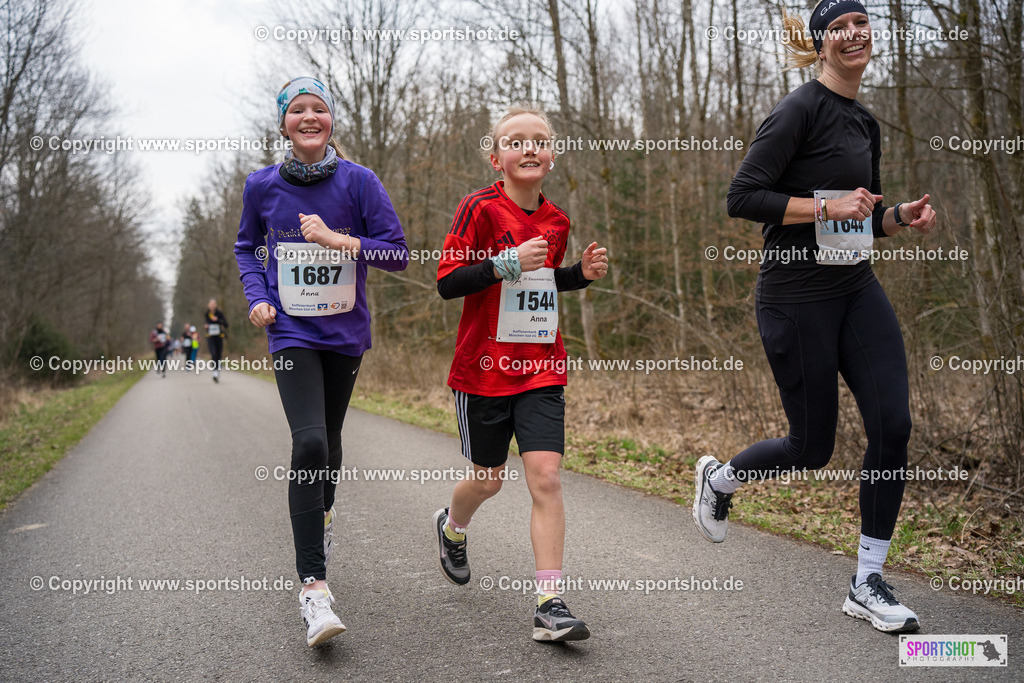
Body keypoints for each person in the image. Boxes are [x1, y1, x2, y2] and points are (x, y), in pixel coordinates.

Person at [693, 0, 937, 634]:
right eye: (840, 27)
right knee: (812, 448)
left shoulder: (866, 124)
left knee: (894, 422)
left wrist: (896, 218)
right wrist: (823, 210)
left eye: (862, 23)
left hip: (856, 288)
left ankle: (867, 580)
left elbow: (860, 220)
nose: (854, 34)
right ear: (821, 41)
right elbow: (742, 197)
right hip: (795, 296)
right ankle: (720, 480)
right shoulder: (799, 108)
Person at [235, 76, 408, 647]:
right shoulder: (261, 186)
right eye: (298, 110)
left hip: (344, 335)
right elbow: (246, 247)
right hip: (290, 333)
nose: (310, 117)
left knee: (330, 443)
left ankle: (322, 517)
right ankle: (313, 590)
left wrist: (340, 242)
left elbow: (398, 253)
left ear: (331, 120)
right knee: (308, 443)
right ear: (283, 122)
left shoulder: (359, 181)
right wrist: (258, 295)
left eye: (320, 109)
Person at [432, 104, 608, 642]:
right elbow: (447, 280)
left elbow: (543, 281)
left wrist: (578, 273)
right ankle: (452, 526)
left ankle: (550, 604)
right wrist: (507, 262)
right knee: (489, 479)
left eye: (539, 140)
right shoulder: (477, 209)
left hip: (540, 367)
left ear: (551, 155)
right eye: (516, 141)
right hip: (483, 370)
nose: (529, 148)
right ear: (497, 156)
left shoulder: (557, 221)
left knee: (547, 478)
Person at [203, 298, 228, 382]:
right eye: (211, 304)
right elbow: (206, 324)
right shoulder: (207, 314)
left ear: (216, 305)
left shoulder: (219, 313)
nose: (212, 305)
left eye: (214, 304)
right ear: (208, 305)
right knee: (213, 353)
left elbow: (226, 324)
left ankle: (217, 370)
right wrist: (206, 326)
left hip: (219, 336)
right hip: (210, 337)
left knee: (218, 354)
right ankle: (215, 371)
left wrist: (218, 320)